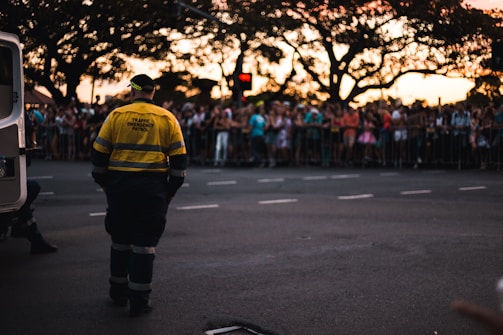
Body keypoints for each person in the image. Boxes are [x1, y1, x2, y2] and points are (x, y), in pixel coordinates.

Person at [91, 74, 187, 317]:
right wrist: (170, 193)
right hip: (152, 190)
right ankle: (139, 301)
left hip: (120, 188)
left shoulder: (116, 116)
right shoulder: (167, 118)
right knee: (144, 246)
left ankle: (118, 291)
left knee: (120, 241)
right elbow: (179, 163)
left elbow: (99, 156)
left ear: (133, 91)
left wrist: (106, 186)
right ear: (152, 92)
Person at [5, 110, 58, 254]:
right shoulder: (18, 114)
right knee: (27, 191)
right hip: (10, 166)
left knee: (24, 195)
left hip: (11, 164)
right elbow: (27, 126)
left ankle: (21, 225)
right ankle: (23, 227)